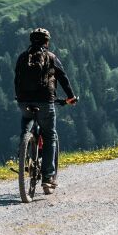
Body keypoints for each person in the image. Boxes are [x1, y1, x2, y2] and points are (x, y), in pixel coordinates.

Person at [14, 27, 77, 193]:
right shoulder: (51, 57)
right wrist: (71, 97)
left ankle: (23, 152)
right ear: (46, 42)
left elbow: (16, 79)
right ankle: (48, 178)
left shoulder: (22, 57)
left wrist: (20, 97)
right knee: (50, 136)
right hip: (45, 102)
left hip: (24, 102)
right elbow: (63, 78)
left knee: (26, 124)